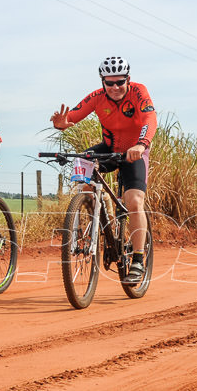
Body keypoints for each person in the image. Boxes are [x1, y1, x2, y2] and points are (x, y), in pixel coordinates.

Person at [50, 56, 157, 284]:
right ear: (103, 82)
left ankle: (138, 259)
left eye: (120, 82)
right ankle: (91, 218)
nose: (115, 88)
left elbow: (150, 118)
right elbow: (73, 116)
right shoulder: (97, 97)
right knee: (82, 164)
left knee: (134, 201)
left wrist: (141, 145)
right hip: (109, 149)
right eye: (110, 83)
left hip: (134, 152)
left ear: (128, 79)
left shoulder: (138, 92)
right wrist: (61, 123)